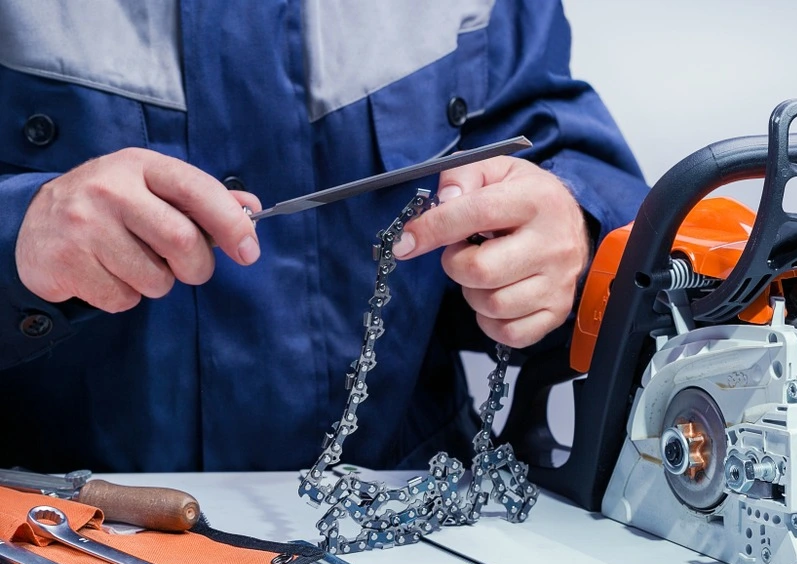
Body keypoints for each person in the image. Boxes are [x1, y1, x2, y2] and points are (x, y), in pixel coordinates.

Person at [0, 0, 648, 473]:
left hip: (409, 535)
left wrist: (569, 234)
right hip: (55, 547)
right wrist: (19, 235)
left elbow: (554, 145)